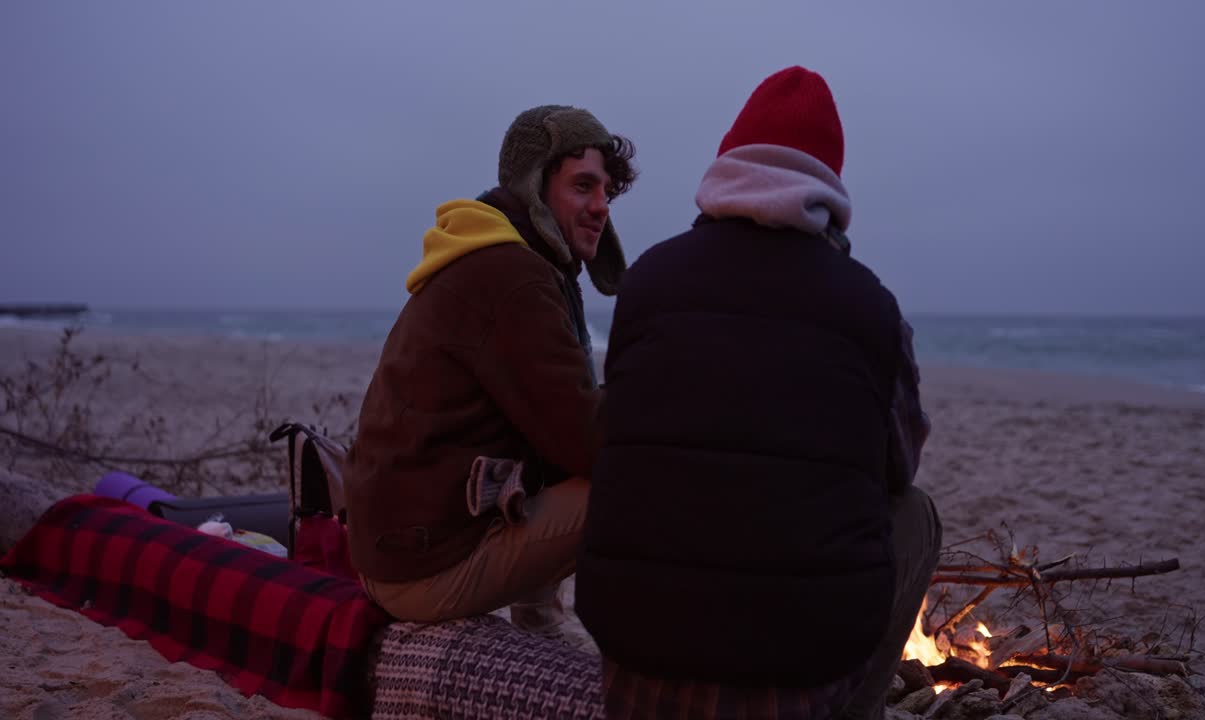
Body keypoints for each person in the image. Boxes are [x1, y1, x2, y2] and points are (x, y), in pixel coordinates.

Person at [576, 67, 941, 719]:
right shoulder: (869, 307)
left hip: (637, 663)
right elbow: (898, 465)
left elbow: (615, 436)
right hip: (794, 681)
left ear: (725, 169)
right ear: (828, 186)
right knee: (916, 515)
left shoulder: (648, 283)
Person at [344, 105, 637, 643]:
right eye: (583, 187)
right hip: (421, 571)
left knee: (560, 449)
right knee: (644, 479)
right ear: (534, 188)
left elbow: (550, 425)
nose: (600, 207)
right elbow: (586, 442)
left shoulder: (500, 258)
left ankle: (540, 629)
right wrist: (668, 395)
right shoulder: (513, 277)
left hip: (396, 549)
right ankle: (641, 658)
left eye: (606, 192)